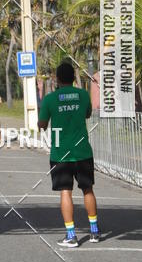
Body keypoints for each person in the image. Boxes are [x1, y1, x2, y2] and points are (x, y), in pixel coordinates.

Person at [38, 61, 100, 248]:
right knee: (87, 189)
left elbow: (42, 125)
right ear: (74, 78)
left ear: (57, 79)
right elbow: (88, 114)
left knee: (66, 192)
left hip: (60, 154)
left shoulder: (50, 99)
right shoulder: (83, 95)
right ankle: (94, 231)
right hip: (83, 152)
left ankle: (71, 235)